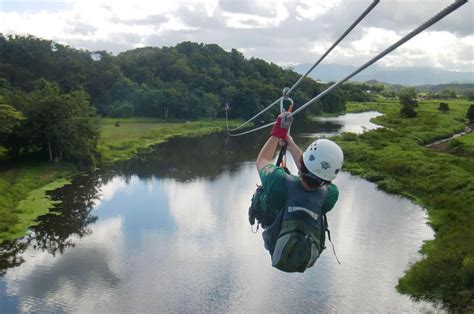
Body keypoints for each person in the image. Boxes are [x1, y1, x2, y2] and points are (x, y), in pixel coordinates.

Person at [249, 111, 344, 272]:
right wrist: (291, 143)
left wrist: (278, 132)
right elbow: (315, 174)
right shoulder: (330, 195)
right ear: (330, 178)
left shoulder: (278, 181)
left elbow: (262, 160)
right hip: (306, 252)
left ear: (303, 162)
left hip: (275, 235)